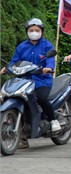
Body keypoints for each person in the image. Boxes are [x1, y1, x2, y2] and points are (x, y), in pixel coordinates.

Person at [0, 18, 60, 149]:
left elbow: (50, 61)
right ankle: (22, 135)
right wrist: (7, 68)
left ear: (41, 32)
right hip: (24, 80)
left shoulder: (47, 46)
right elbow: (14, 62)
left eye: (37, 30)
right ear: (27, 31)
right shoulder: (22, 47)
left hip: (42, 80)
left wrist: (48, 68)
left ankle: (53, 119)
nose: (34, 32)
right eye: (31, 30)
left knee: (42, 98)